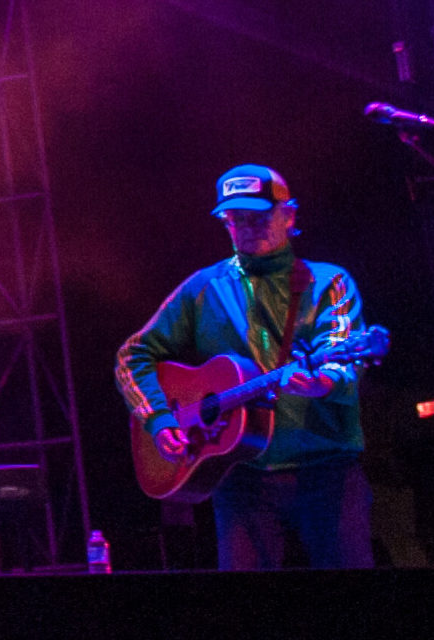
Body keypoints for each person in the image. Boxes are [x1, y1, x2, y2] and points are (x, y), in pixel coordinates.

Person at [116, 164, 374, 569]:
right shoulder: (204, 287)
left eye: (260, 216)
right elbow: (132, 356)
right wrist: (159, 419)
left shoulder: (328, 281)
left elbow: (344, 354)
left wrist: (322, 382)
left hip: (326, 474)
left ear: (289, 216)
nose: (248, 226)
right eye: (236, 219)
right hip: (241, 479)